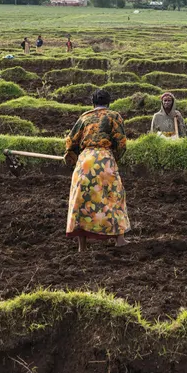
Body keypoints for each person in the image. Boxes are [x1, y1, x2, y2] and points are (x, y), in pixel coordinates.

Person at [64, 89, 130, 251]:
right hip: (105, 159)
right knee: (114, 196)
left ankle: (82, 246)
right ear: (108, 103)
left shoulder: (84, 117)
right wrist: (114, 158)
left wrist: (72, 158)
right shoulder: (114, 116)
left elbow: (71, 142)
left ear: (93, 103)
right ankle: (119, 239)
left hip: (85, 161)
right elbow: (121, 143)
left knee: (81, 200)